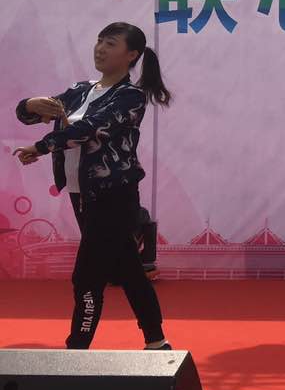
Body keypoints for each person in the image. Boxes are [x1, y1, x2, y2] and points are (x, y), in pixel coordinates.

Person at [12, 22, 173, 350]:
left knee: (87, 276)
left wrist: (41, 147)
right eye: (100, 41)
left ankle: (77, 349)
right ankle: (157, 341)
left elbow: (89, 128)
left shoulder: (130, 97)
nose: (100, 48)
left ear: (131, 55)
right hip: (81, 194)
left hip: (113, 196)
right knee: (128, 269)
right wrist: (28, 105)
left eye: (110, 44)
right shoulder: (80, 90)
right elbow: (34, 113)